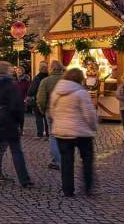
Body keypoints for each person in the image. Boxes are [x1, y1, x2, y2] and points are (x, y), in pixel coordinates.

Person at [48, 67, 97, 197]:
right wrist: (94, 126)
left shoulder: (56, 92)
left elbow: (52, 112)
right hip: (81, 132)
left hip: (62, 132)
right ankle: (87, 187)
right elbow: (89, 114)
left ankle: (67, 190)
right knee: (87, 159)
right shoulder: (81, 93)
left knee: (66, 161)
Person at [0, 61, 32, 187]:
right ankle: (24, 180)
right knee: (16, 151)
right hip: (7, 120)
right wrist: (19, 122)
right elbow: (17, 106)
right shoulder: (11, 86)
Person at [37, 60, 64, 169]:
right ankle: (59, 159)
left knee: (53, 136)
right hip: (66, 112)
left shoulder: (46, 81)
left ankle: (58, 161)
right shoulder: (67, 80)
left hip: (52, 111)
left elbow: (41, 99)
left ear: (51, 69)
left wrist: (43, 110)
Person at [27, 61, 49, 139]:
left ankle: (40, 134)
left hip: (38, 99)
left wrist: (29, 95)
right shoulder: (49, 77)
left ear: (39, 68)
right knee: (47, 118)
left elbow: (31, 90)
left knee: (39, 118)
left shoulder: (37, 78)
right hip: (48, 101)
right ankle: (48, 134)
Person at [14, 66, 31, 132]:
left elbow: (28, 90)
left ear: (22, 71)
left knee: (21, 116)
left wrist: (26, 99)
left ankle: (21, 129)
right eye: (17, 70)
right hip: (14, 100)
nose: (18, 71)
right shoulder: (13, 79)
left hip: (22, 100)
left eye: (20, 70)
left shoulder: (26, 80)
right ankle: (16, 128)